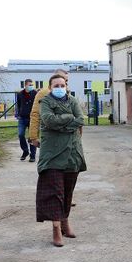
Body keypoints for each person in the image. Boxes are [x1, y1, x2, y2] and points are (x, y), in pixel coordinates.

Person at [36, 74, 86, 247]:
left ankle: (65, 222)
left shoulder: (72, 100)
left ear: (67, 86)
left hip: (72, 153)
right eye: (56, 85)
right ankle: (56, 228)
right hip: (53, 155)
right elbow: (49, 121)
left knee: (68, 191)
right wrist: (69, 118)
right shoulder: (46, 102)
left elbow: (81, 119)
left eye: (62, 85)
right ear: (50, 88)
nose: (59, 88)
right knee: (55, 192)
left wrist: (62, 123)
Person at [28, 69, 69, 148]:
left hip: (66, 135)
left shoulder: (68, 94)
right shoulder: (43, 94)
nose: (65, 82)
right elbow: (35, 114)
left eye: (66, 80)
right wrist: (33, 137)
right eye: (62, 78)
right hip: (49, 134)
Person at [15, 79, 37, 162]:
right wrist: (19, 113)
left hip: (32, 118)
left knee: (32, 136)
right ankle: (25, 151)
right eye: (29, 85)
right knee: (20, 134)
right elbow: (19, 104)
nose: (31, 86)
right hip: (22, 118)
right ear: (25, 85)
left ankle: (33, 155)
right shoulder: (20, 94)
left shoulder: (35, 93)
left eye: (32, 84)